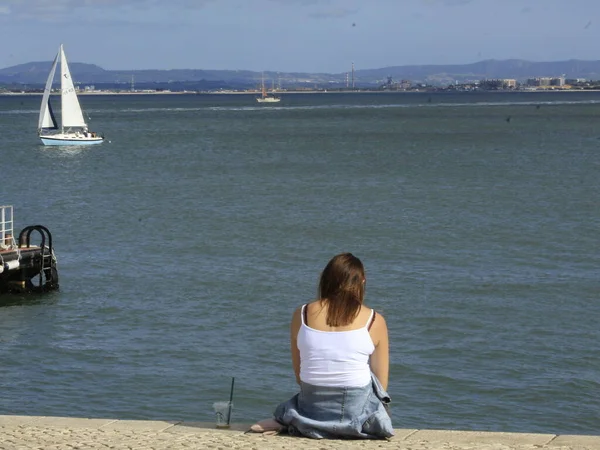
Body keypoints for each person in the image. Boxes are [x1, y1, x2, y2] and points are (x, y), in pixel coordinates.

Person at [252, 253, 393, 439]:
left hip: (312, 405)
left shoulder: (302, 314)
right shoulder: (374, 320)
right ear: (363, 281)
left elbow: (299, 373)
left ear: (325, 279)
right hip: (354, 409)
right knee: (373, 383)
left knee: (300, 397)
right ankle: (349, 425)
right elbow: (382, 384)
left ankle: (295, 419)